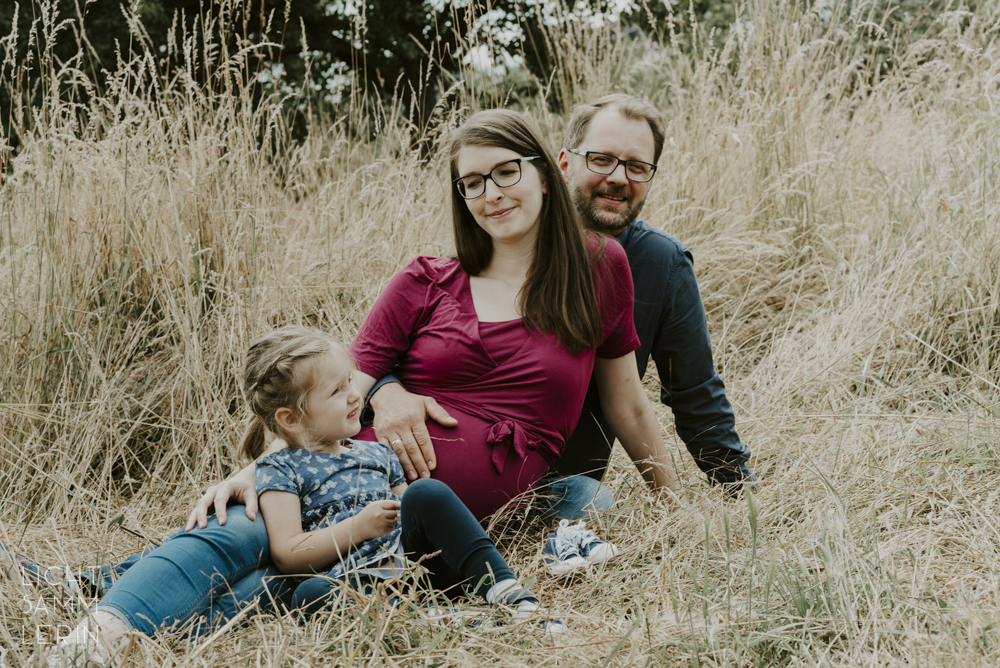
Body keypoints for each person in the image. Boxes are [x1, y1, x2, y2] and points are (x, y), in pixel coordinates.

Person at [1, 109, 684, 652]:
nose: (489, 194)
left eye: (504, 173)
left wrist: (676, 507)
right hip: (339, 470)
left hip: (433, 519)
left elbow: (625, 401)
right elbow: (335, 387)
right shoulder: (425, 279)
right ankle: (91, 638)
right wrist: (272, 467)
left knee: (273, 571)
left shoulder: (600, 270)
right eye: (470, 183)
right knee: (246, 533)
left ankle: (83, 585)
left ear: (544, 171)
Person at [368, 94, 757, 523]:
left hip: (546, 485)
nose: (618, 178)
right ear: (562, 165)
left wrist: (733, 492)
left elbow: (683, 393)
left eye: (637, 167)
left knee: (592, 501)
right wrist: (384, 392)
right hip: (394, 481)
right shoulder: (467, 256)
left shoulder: (650, 264)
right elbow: (364, 366)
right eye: (601, 159)